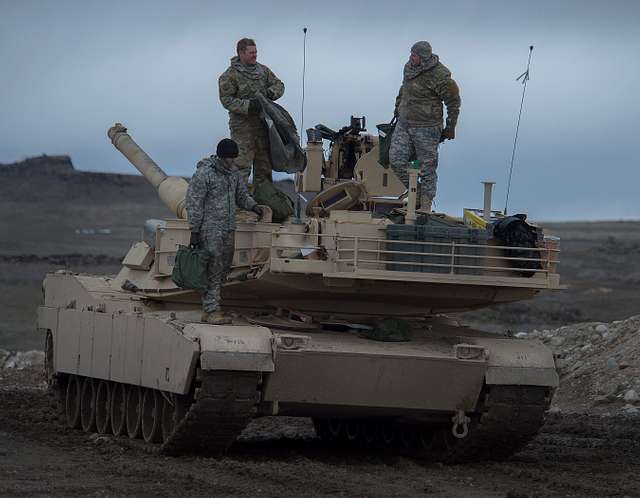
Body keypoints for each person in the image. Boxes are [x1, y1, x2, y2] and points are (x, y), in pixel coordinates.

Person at [185, 138, 264, 325]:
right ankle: (212, 310)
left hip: (228, 228)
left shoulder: (233, 174)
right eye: (229, 158)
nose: (232, 161)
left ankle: (210, 308)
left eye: (233, 158)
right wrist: (194, 230)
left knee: (223, 268)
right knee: (213, 267)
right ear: (221, 156)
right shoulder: (205, 174)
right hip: (209, 229)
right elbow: (194, 203)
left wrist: (254, 207)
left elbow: (241, 196)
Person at [389, 41, 461, 212]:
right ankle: (417, 194)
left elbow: (453, 102)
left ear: (423, 58)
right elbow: (404, 88)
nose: (410, 58)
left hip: (427, 127)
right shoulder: (409, 68)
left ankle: (425, 204)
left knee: (427, 167)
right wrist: (398, 108)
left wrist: (451, 127)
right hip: (405, 123)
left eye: (414, 55)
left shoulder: (440, 76)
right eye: (410, 54)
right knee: (396, 160)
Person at [218, 38, 285, 185]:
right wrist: (249, 106)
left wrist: (269, 94)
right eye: (251, 52)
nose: (255, 55)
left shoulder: (263, 71)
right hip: (243, 128)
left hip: (264, 125)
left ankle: (264, 202)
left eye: (256, 52)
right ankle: (239, 202)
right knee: (241, 165)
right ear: (241, 53)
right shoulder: (229, 76)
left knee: (264, 166)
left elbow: (279, 85)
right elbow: (226, 100)